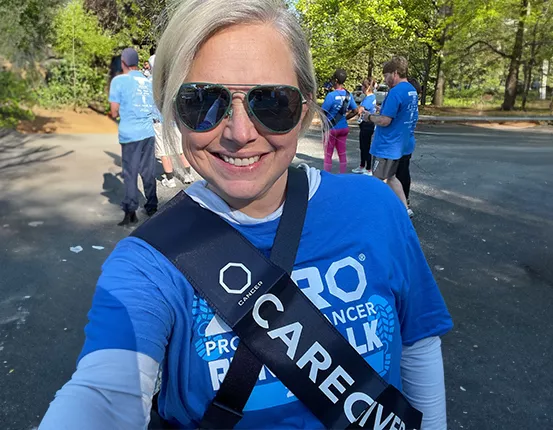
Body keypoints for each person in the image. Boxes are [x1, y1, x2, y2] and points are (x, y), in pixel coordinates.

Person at [39, 1, 452, 429]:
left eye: (272, 103)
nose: (240, 133)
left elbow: (418, 343)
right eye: (203, 103)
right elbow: (103, 395)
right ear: (173, 111)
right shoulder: (148, 264)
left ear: (306, 108)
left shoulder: (375, 209)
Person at [108, 47, 158, 226]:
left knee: (130, 173)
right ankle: (152, 205)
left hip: (130, 134)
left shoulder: (119, 81)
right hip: (148, 133)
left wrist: (119, 111)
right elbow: (154, 109)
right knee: (148, 171)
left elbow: (114, 112)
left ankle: (131, 211)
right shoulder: (148, 81)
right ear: (137, 62)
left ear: (123, 63)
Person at [364, 56, 419, 210]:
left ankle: (375, 210)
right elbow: (405, 114)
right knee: (392, 177)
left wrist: (369, 117)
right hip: (401, 144)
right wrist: (382, 112)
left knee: (377, 179)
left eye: (386, 75)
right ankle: (404, 208)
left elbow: (385, 121)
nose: (385, 79)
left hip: (386, 145)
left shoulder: (395, 92)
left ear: (395, 73)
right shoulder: (411, 90)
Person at [148, 54, 195, 187]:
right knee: (180, 149)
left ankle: (170, 180)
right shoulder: (171, 81)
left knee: (164, 151)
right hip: (173, 119)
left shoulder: (149, 82)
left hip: (158, 120)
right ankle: (188, 175)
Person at [321, 68, 358, 173]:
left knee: (328, 154)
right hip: (343, 127)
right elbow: (355, 110)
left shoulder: (331, 95)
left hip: (331, 128)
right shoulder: (348, 95)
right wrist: (345, 118)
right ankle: (343, 175)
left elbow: (323, 112)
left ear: (336, 80)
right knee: (342, 153)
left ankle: (327, 175)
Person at [397, 77, 422, 217]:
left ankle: (402, 202)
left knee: (397, 174)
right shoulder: (413, 106)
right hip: (409, 141)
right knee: (404, 171)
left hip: (401, 142)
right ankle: (405, 198)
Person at [352, 77, 377, 176]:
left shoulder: (369, 98)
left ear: (366, 88)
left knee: (366, 146)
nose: (361, 87)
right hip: (364, 123)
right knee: (362, 146)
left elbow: (360, 109)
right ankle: (362, 165)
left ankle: (368, 168)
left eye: (363, 86)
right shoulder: (370, 97)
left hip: (367, 124)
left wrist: (353, 107)